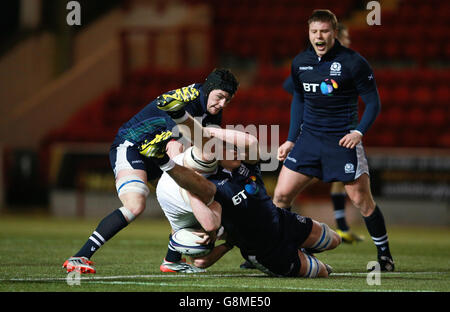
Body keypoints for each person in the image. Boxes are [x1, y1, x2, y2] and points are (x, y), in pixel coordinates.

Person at [62, 69, 239, 274]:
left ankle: (172, 261)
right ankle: (80, 256)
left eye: (228, 100)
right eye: (220, 97)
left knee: (182, 203)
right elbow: (175, 147)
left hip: (157, 154)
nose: (223, 104)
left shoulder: (212, 109)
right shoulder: (186, 103)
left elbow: (205, 147)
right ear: (208, 91)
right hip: (133, 146)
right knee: (135, 204)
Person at [153, 103, 341, 278]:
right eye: (229, 149)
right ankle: (302, 259)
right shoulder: (207, 189)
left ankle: (302, 250)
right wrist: (229, 243)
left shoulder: (248, 165)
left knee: (334, 241)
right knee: (323, 272)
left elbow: (250, 141)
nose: (236, 151)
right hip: (265, 251)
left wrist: (209, 132)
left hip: (285, 222)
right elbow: (200, 261)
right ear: (216, 155)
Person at [273, 10, 394, 271]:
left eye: (325, 31)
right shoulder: (300, 62)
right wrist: (291, 139)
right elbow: (299, 100)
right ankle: (276, 251)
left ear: (334, 33)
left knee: (362, 200)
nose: (319, 36)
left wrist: (359, 132)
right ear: (308, 33)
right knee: (281, 196)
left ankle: (384, 255)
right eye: (314, 31)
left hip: (342, 142)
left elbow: (373, 102)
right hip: (309, 141)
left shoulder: (354, 62)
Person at [279, 22, 363, 245]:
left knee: (342, 182)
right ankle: (284, 235)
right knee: (286, 191)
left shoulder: (349, 63)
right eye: (345, 38)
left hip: (339, 129)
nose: (347, 43)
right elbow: (291, 87)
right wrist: (311, 95)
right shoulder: (309, 63)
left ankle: (341, 226)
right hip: (314, 133)